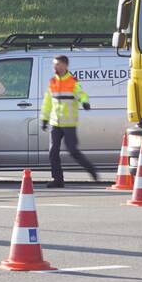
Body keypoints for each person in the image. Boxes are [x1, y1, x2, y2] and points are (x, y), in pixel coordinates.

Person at [41, 55, 98, 188]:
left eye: (58, 64)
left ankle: (91, 169)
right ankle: (57, 180)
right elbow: (47, 102)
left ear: (65, 65)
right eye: (54, 64)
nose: (55, 67)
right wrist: (44, 118)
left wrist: (85, 102)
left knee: (72, 151)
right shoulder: (52, 81)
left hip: (69, 123)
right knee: (53, 152)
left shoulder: (72, 81)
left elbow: (81, 94)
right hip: (55, 123)